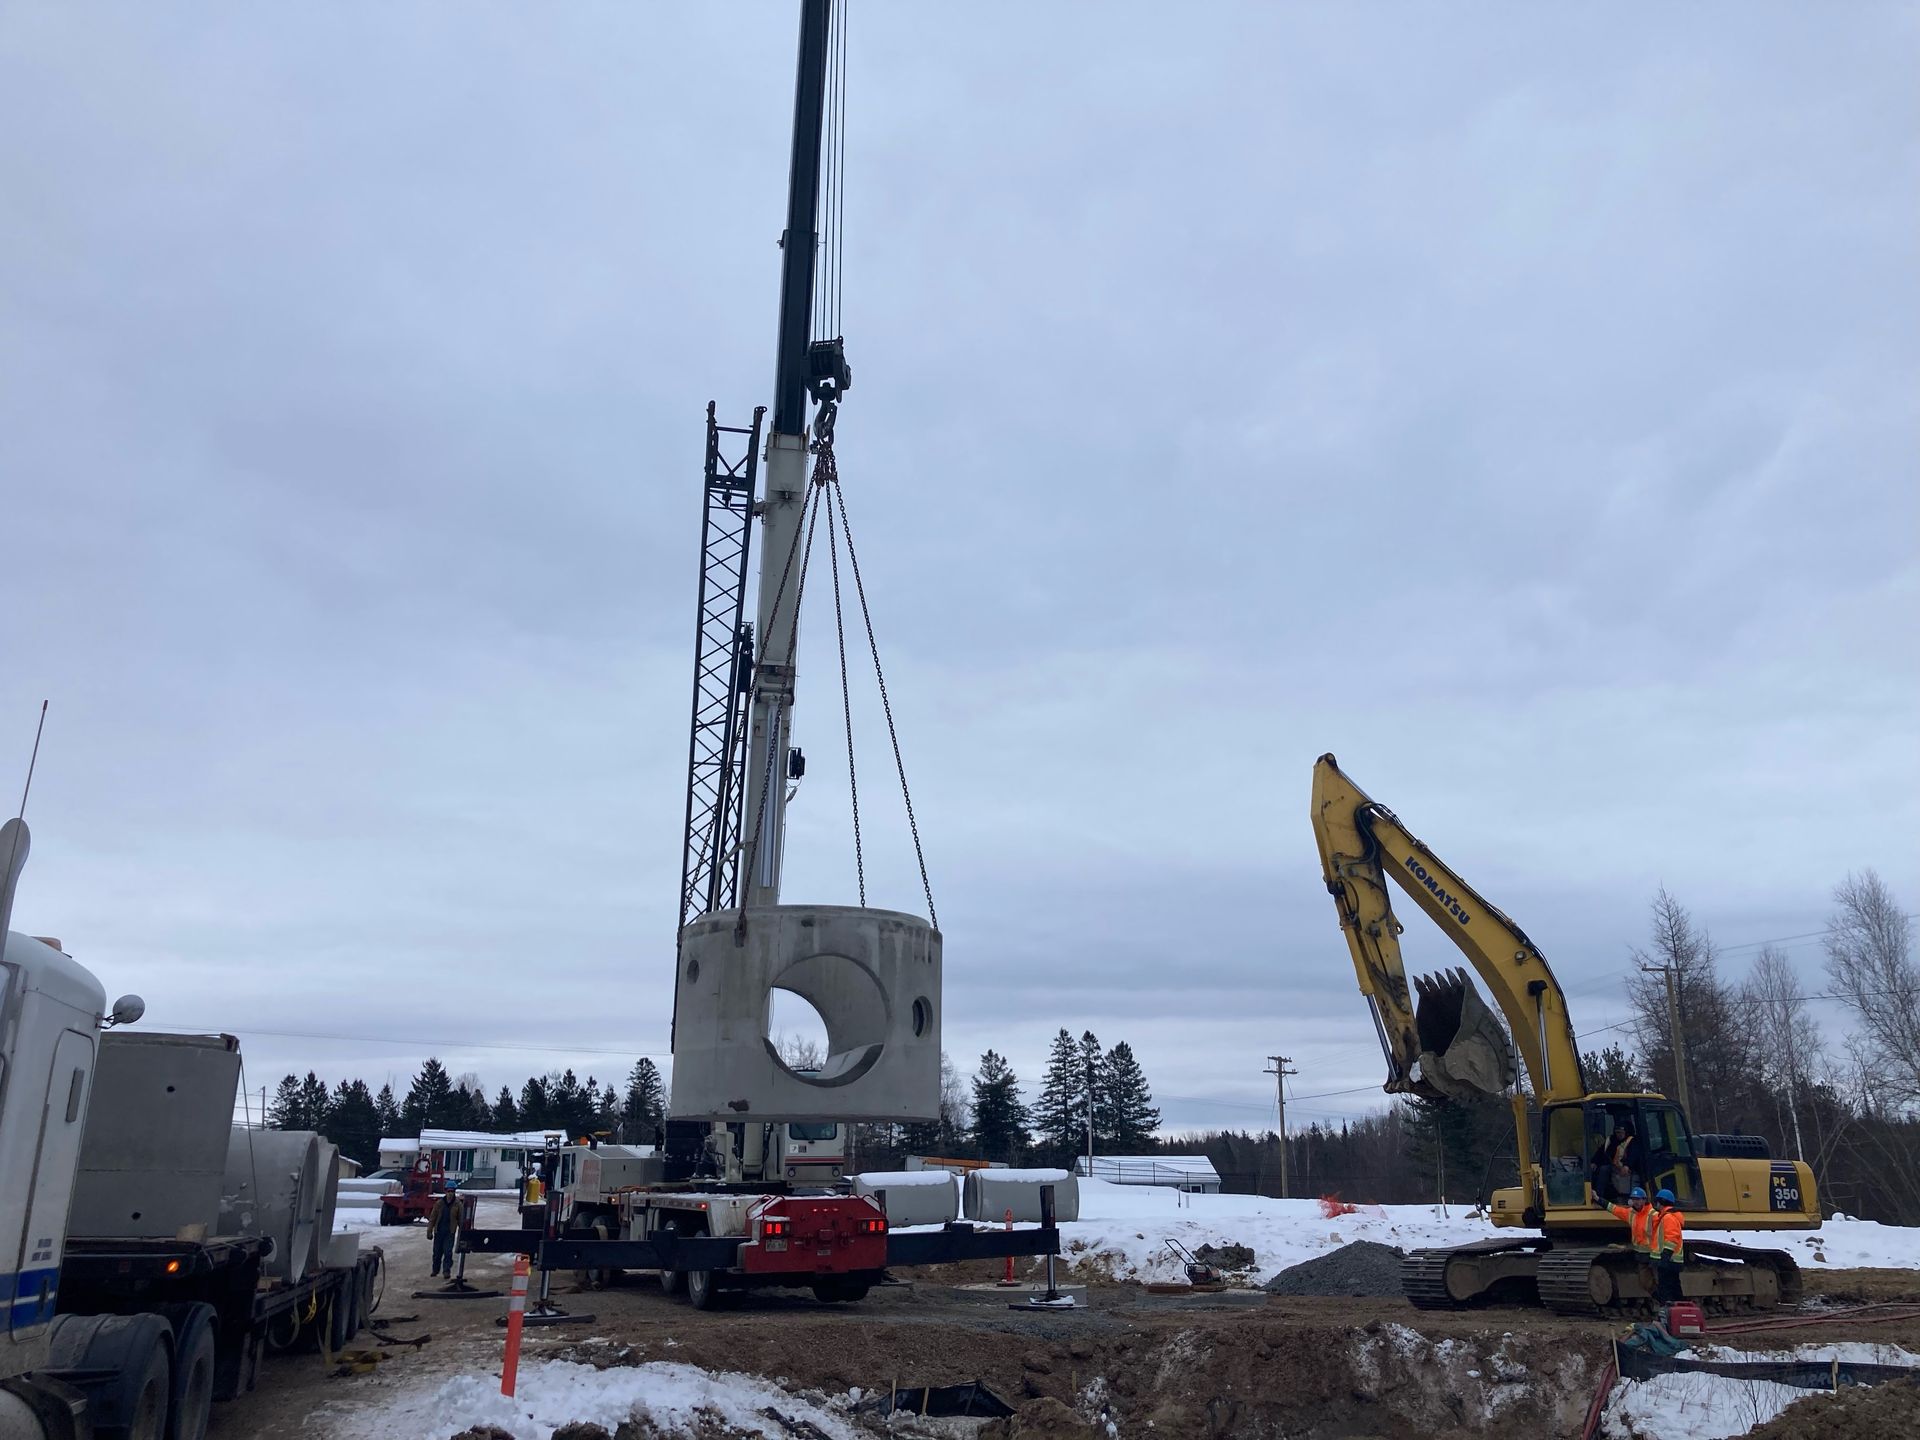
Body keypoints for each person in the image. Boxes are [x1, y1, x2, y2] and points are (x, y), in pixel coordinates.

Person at [1597, 1184, 1658, 1257]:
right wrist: (1598, 1199)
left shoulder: (1653, 1215)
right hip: (1639, 1253)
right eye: (1633, 1199)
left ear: (1644, 1200)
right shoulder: (1631, 1213)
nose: (1635, 1202)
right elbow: (1614, 1209)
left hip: (1652, 1254)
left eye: (1638, 1199)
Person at [1652, 1187, 1686, 1302]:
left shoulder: (1668, 1218)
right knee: (1675, 1288)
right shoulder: (1668, 1216)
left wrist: (1665, 1257)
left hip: (1669, 1261)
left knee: (1666, 1289)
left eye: (1657, 1201)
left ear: (1661, 1202)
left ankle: (1669, 1313)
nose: (1655, 1204)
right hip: (1673, 1261)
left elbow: (1672, 1238)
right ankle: (1678, 1313)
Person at [1589, 1121, 1637, 1200]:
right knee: (1599, 1170)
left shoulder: (1631, 1141)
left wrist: (1627, 1166)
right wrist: (1594, 1162)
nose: (1619, 1135)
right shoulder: (1611, 1140)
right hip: (1613, 1167)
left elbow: (1633, 1155)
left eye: (1621, 1132)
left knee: (1606, 1170)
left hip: (1624, 1168)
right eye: (1617, 1132)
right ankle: (1595, 1195)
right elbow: (1601, 1152)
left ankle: (1600, 1197)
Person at [427, 1182, 462, 1279]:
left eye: (452, 1191)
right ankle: (435, 1270)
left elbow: (460, 1219)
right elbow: (432, 1218)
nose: (450, 1193)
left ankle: (446, 1271)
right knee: (437, 1252)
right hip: (439, 1231)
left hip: (449, 1232)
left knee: (448, 1252)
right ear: (445, 1191)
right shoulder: (439, 1203)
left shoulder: (458, 1204)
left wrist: (462, 1231)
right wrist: (429, 1231)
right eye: (449, 1191)